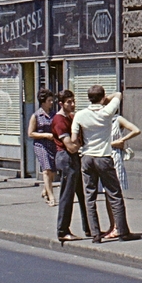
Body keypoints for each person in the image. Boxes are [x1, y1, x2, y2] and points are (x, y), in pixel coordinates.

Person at [73, 85, 132, 243]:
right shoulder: (107, 112)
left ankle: (95, 234)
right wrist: (106, 99)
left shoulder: (80, 115)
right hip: (104, 157)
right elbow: (119, 94)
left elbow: (74, 139)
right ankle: (122, 231)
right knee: (114, 195)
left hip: (86, 157)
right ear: (103, 97)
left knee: (90, 196)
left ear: (88, 98)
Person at [53, 90, 88, 241]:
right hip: (66, 158)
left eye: (73, 101)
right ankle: (62, 231)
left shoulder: (72, 118)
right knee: (67, 195)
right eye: (69, 102)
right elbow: (71, 146)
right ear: (61, 104)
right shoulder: (59, 120)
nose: (72, 104)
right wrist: (79, 143)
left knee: (83, 194)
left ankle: (89, 228)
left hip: (74, 158)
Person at [29, 91, 59, 206]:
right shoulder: (36, 116)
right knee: (46, 170)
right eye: (49, 101)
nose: (51, 103)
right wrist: (45, 135)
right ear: (43, 102)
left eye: (52, 100)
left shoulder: (54, 115)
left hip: (52, 144)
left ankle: (46, 190)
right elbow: (30, 133)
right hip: (41, 145)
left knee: (52, 171)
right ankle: (51, 197)